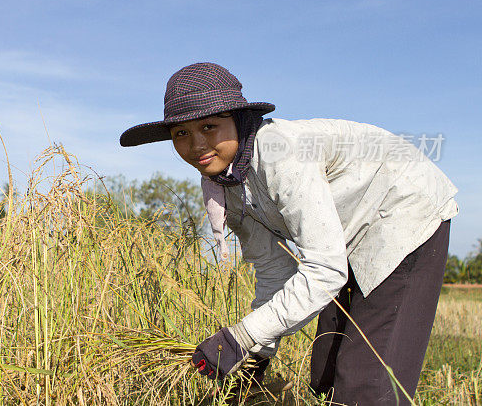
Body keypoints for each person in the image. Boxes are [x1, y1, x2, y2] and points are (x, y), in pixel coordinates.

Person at [119, 62, 458, 405]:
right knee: (326, 368)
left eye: (209, 126)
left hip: (404, 212)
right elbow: (274, 270)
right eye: (181, 134)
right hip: (349, 237)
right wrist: (255, 355)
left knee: (366, 382)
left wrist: (240, 337)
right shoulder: (226, 187)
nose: (197, 145)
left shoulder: (283, 154)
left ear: (238, 119)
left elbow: (325, 270)